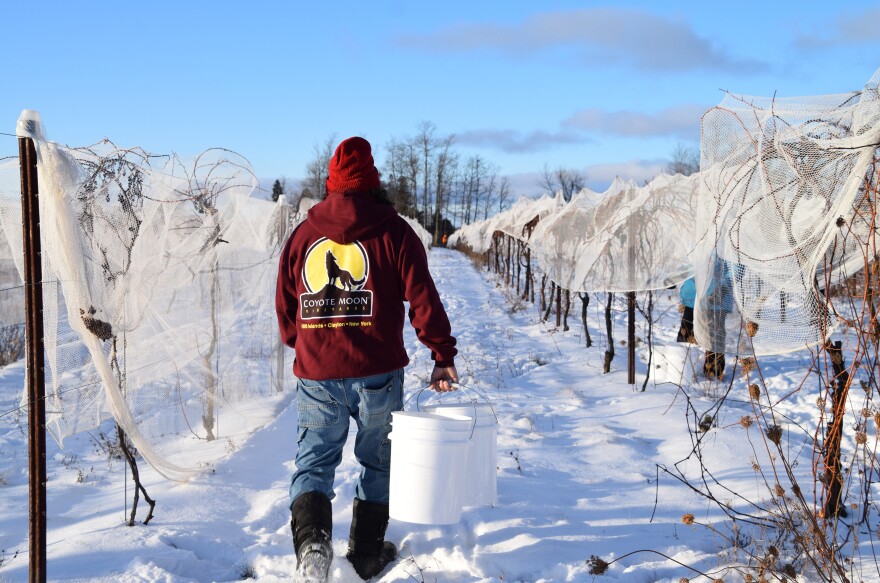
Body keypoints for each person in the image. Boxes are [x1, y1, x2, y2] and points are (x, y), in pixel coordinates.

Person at [275, 136, 459, 582]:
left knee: (314, 462)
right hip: (377, 371)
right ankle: (366, 554)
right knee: (378, 461)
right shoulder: (394, 232)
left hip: (318, 372)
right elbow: (422, 297)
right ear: (372, 181)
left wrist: (304, 343)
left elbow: (286, 304)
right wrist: (441, 353)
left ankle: (314, 549)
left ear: (331, 183)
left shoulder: (303, 234)